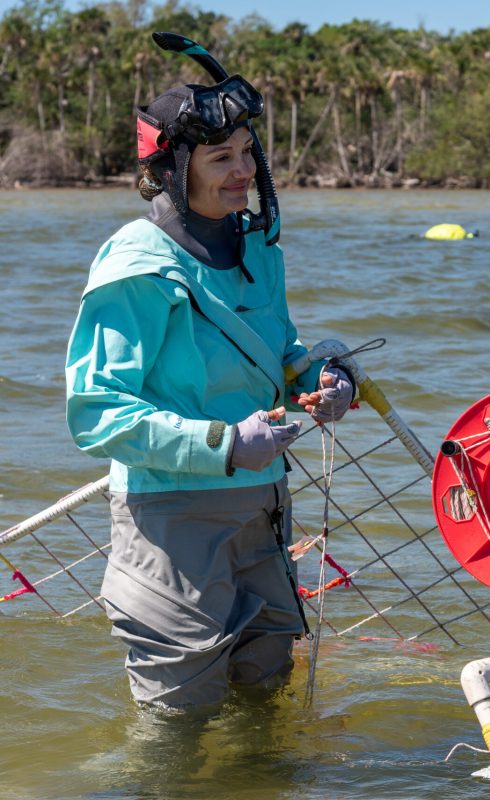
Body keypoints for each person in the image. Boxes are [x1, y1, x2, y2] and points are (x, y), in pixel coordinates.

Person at [65, 73, 354, 709]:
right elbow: (96, 413)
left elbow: (277, 354)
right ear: (170, 168)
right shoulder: (135, 264)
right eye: (221, 157)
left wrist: (322, 381)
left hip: (264, 509)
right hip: (172, 517)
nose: (242, 170)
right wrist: (223, 444)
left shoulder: (258, 247)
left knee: (265, 692)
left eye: (248, 152)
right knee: (177, 722)